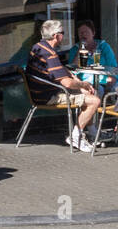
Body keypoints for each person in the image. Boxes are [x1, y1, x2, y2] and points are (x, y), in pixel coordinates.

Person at [27, 19, 101, 153]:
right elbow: (66, 83)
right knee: (95, 101)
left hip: (40, 91)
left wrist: (75, 78)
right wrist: (83, 83)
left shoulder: (38, 47)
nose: (64, 35)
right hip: (49, 96)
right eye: (63, 33)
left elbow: (59, 69)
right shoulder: (50, 54)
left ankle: (92, 132)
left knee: (87, 93)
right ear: (56, 36)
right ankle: (76, 136)